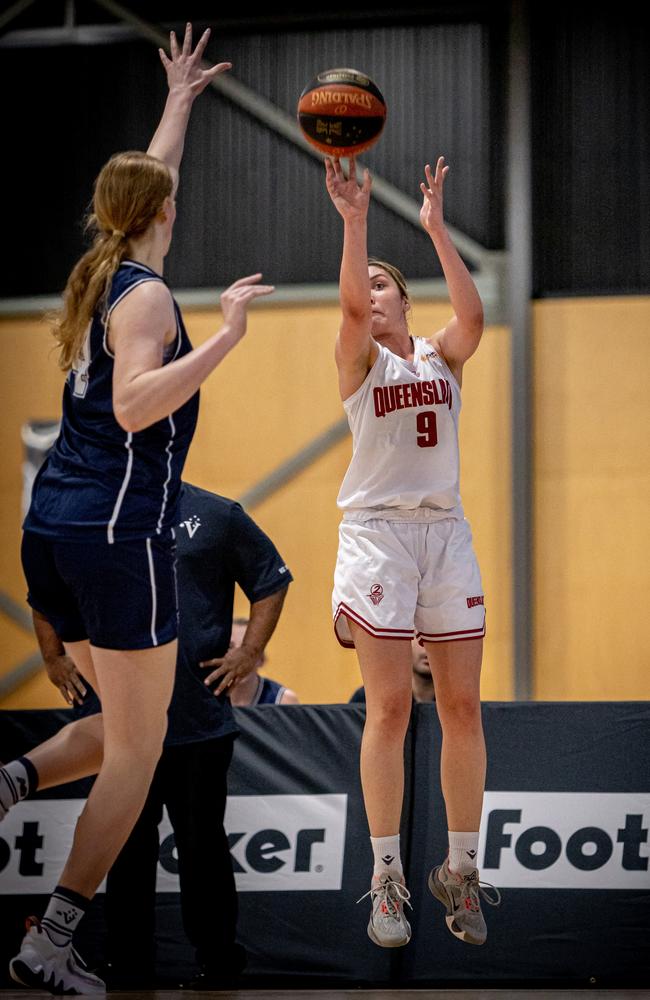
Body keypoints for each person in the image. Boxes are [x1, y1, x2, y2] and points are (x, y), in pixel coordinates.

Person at [0, 25, 273, 996]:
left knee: (122, 726)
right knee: (139, 747)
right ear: (161, 214)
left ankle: (12, 782)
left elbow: (146, 179)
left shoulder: (107, 261)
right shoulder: (148, 298)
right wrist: (227, 340)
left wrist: (180, 100)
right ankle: (53, 939)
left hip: (56, 523)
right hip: (119, 535)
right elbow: (132, 403)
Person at [324, 154, 500, 950]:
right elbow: (352, 310)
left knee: (461, 705)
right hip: (377, 536)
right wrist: (356, 222)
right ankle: (385, 877)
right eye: (374, 286)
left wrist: (433, 229)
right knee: (390, 708)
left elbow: (473, 318)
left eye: (389, 286)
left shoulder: (440, 356)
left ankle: (461, 870)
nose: (376, 296)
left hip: (444, 531)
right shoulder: (359, 360)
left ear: (407, 300)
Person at [36, 481, 292, 989]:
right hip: (120, 726)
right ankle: (128, 966)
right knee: (125, 847)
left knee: (203, 849)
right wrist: (53, 657)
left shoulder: (215, 514)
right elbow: (46, 590)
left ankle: (219, 964)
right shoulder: (91, 515)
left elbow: (271, 578)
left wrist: (247, 652)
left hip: (197, 722)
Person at [226, 617, 299, 706]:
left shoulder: (283, 700)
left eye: (246, 648)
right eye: (230, 647)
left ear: (261, 659)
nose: (238, 657)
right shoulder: (207, 697)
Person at [349, 638, 435, 704]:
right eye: (419, 637)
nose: (426, 648)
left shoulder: (448, 699)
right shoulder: (368, 698)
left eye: (435, 638)